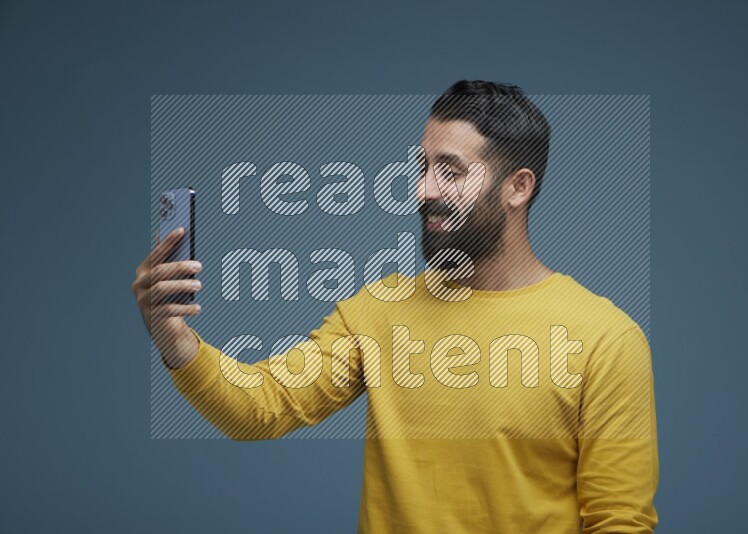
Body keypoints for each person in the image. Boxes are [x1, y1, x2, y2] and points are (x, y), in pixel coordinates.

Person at [132, 80, 659, 533]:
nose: (424, 188)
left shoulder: (605, 338)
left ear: (517, 187)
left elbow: (619, 521)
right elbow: (259, 407)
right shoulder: (378, 310)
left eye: (450, 171)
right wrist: (176, 339)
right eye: (422, 166)